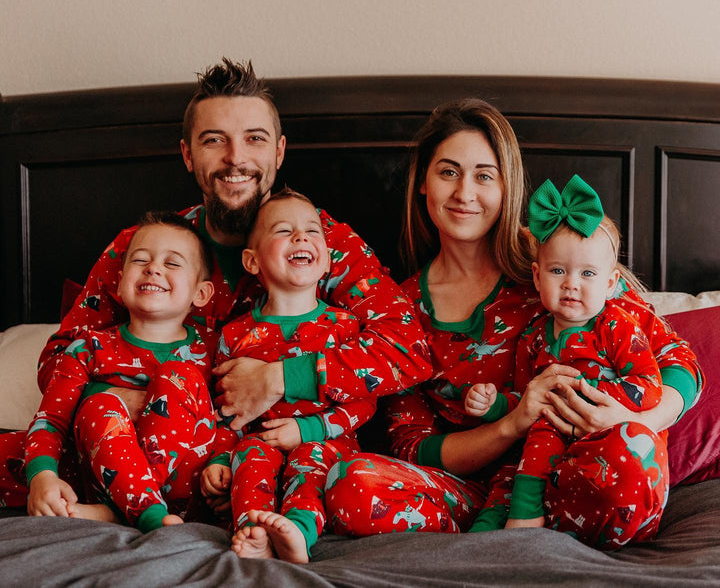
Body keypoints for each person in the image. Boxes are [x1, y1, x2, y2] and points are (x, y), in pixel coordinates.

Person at [0, 58, 431, 507]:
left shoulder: (320, 243)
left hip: (271, 457)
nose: (236, 158)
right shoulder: (147, 249)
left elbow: (407, 349)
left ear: (279, 152)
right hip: (131, 444)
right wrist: (148, 401)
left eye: (254, 139)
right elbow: (61, 356)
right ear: (188, 154)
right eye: (213, 141)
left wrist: (280, 379)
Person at [322, 98, 703, 550]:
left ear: (507, 187)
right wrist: (512, 423)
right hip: (473, 496)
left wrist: (635, 417)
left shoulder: (558, 267)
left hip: (581, 469)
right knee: (349, 484)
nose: (465, 192)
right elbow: (410, 445)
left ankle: (533, 536)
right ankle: (503, 535)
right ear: (423, 182)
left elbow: (676, 357)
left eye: (484, 175)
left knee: (631, 453)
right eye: (448, 172)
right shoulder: (401, 309)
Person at [466, 175, 663, 531]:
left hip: (606, 439)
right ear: (538, 278)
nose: (571, 283)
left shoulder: (616, 325)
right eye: (558, 271)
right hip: (544, 452)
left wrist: (589, 398)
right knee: (506, 486)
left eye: (587, 273)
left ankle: (526, 522)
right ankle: (495, 540)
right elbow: (526, 399)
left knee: (553, 436)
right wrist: (493, 404)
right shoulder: (533, 338)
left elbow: (649, 384)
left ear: (609, 283)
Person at [201, 188, 377, 563]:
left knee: (309, 462)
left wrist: (307, 431)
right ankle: (254, 532)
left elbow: (364, 402)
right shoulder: (235, 334)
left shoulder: (343, 327)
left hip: (326, 442)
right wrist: (218, 458)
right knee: (247, 455)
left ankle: (298, 529)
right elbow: (225, 408)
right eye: (283, 231)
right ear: (252, 261)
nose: (301, 237)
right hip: (258, 440)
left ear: (327, 260)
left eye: (312, 231)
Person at [25, 211, 217, 532]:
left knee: (177, 375)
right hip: (98, 474)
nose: (153, 268)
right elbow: (51, 419)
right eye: (140, 260)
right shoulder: (89, 348)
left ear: (201, 294)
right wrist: (42, 477)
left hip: (185, 485)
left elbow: (228, 422)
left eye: (172, 263)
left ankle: (134, 509)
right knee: (96, 407)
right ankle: (127, 508)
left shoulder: (212, 351)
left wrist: (223, 464)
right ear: (119, 282)